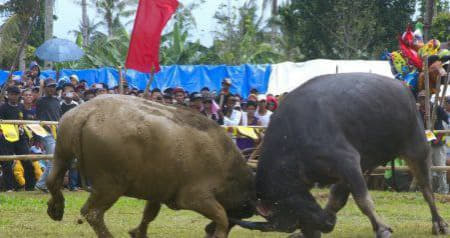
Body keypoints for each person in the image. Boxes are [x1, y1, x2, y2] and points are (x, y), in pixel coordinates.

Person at [0, 86, 35, 191]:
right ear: (8, 95)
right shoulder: (2, 108)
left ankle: (30, 187)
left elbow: (24, 120)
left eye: (16, 94)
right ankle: (9, 188)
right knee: (7, 163)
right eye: (12, 94)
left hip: (21, 137)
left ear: (19, 95)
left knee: (27, 160)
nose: (14, 96)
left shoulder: (21, 107)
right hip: (6, 139)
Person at [418, 91, 449, 194]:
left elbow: (447, 118)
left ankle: (443, 190)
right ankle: (431, 189)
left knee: (440, 166)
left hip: (438, 141)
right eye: (420, 99)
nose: (422, 101)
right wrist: (424, 119)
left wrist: (434, 119)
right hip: (426, 142)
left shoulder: (437, 108)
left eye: (424, 98)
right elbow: (418, 125)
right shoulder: (418, 111)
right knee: (428, 167)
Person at [35, 78, 61, 193]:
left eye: (53, 86)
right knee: (53, 158)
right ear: (45, 88)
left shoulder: (56, 101)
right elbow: (39, 119)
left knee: (53, 159)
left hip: (57, 132)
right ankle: (47, 184)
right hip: (45, 133)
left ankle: (41, 184)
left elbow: (59, 116)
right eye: (50, 86)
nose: (52, 89)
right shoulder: (41, 101)